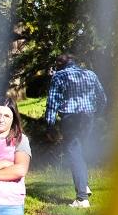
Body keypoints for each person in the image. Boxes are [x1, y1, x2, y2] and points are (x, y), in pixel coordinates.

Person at [45, 53, 107, 207]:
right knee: (80, 152)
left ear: (59, 64)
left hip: (70, 118)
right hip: (88, 118)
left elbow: (53, 102)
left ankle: (81, 198)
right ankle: (83, 186)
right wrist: (95, 114)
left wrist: (50, 125)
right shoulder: (89, 74)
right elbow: (103, 99)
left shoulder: (59, 76)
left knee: (74, 154)